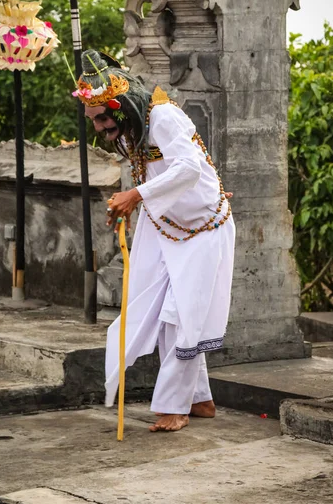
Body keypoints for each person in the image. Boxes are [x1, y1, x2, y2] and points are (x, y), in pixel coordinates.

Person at [73, 50, 235, 432]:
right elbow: (155, 172)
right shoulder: (130, 132)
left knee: (180, 316)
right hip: (164, 225)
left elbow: (188, 167)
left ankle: (173, 406)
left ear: (121, 106)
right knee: (159, 315)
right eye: (92, 120)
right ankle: (200, 399)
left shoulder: (162, 115)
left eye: (101, 118)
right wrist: (132, 204)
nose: (98, 128)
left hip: (203, 229)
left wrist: (135, 196)